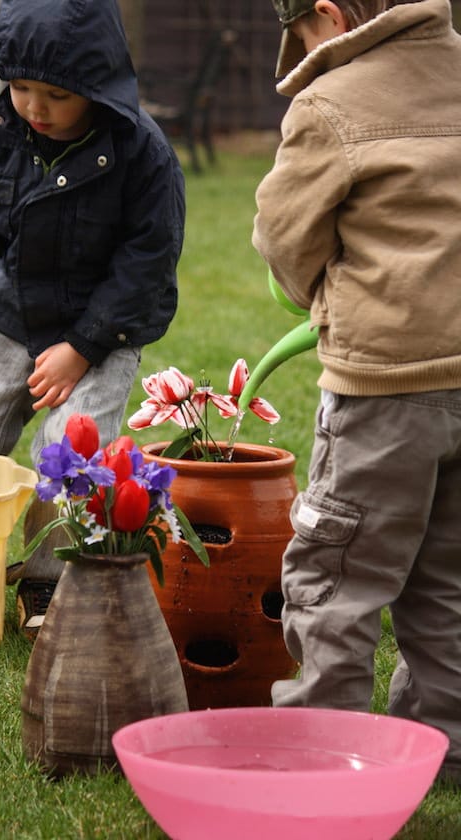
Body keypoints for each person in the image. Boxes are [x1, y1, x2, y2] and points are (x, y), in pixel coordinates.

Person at [0, 0, 185, 639]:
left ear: (99, 85)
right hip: (15, 317)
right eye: (21, 86)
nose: (34, 105)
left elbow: (147, 265)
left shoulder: (143, 153)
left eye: (57, 94)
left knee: (71, 449)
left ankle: (46, 586)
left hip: (103, 333)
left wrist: (83, 346)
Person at [252, 0, 461, 782]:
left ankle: (318, 757)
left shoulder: (331, 103)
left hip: (384, 391)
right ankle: (442, 751)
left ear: (330, 17)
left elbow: (284, 233)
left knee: (336, 578)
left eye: (299, 36)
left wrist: (322, 295)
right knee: (445, 586)